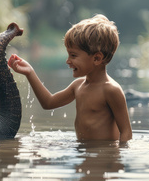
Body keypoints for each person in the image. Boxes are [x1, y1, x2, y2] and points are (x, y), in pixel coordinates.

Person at [8, 14, 132, 142]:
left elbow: (126, 133)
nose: (68, 61)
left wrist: (115, 159)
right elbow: (48, 103)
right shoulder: (78, 86)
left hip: (104, 155)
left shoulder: (111, 90)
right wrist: (30, 72)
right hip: (82, 153)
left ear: (96, 58)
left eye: (73, 55)